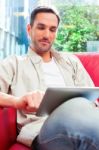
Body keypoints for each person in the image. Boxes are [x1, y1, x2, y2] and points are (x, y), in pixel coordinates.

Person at [0, 5, 99, 150]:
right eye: (41, 27)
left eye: (52, 29)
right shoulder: (14, 62)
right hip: (41, 128)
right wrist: (18, 101)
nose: (47, 35)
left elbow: (92, 98)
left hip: (82, 118)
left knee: (80, 108)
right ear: (29, 29)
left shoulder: (71, 62)